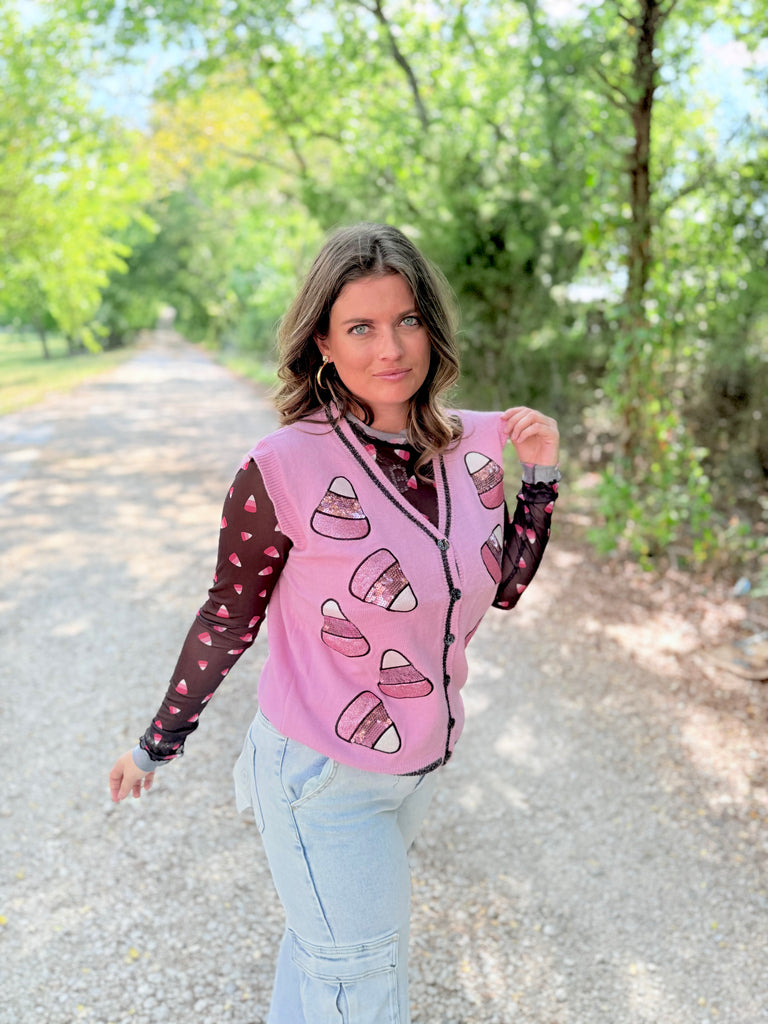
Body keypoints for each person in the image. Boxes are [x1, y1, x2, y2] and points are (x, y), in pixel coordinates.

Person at [109, 222, 560, 1024]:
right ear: (322, 340)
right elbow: (228, 615)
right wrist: (157, 742)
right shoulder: (281, 468)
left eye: (407, 319)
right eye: (360, 327)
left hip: (417, 767)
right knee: (362, 985)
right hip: (321, 777)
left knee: (330, 964)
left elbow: (501, 589)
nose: (391, 347)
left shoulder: (471, 449)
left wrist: (541, 478)